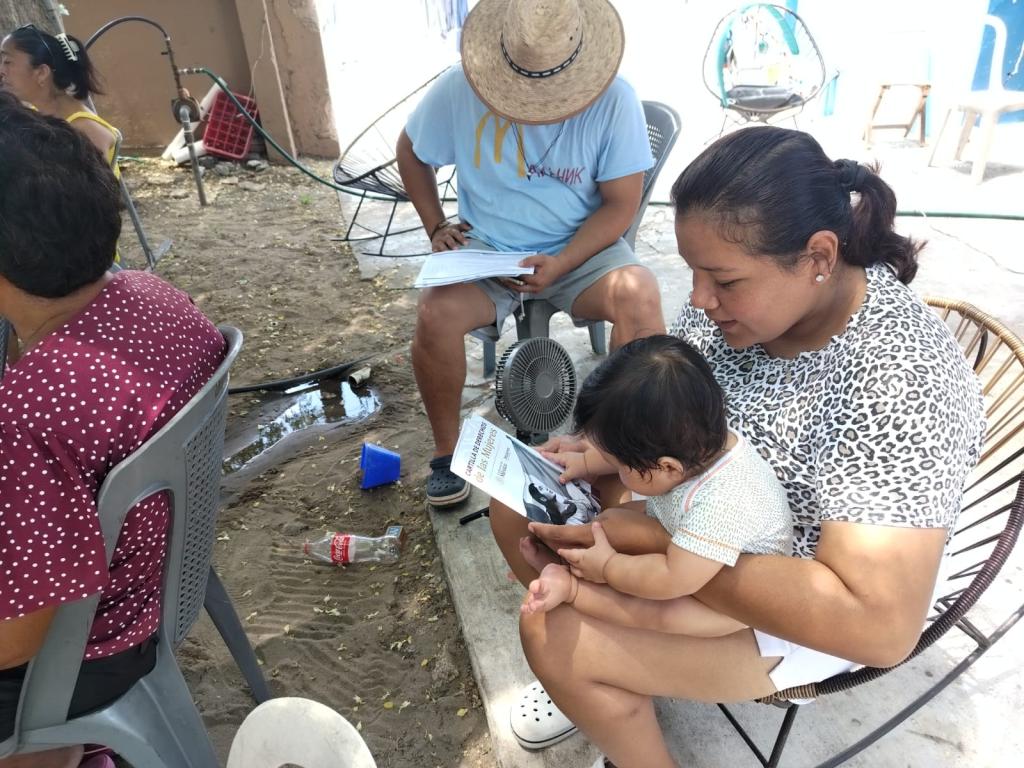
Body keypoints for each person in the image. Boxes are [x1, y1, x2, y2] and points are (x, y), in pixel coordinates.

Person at [489, 126, 986, 766]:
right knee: (522, 497)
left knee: (552, 632)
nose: (698, 299)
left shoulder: (900, 379)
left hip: (793, 595)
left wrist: (657, 544)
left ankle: (595, 678)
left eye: (723, 279)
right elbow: (672, 413)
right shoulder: (738, 314)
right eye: (694, 273)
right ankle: (597, 678)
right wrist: (601, 450)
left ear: (819, 257)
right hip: (690, 505)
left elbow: (876, 626)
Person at [0, 93, 226, 768]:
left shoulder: (31, 407)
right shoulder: (153, 297)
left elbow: (16, 641)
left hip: (85, 655)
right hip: (158, 586)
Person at [397, 0, 666, 508]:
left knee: (641, 296)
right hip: (488, 249)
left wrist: (562, 263)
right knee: (434, 314)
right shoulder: (462, 87)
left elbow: (620, 205)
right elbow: (411, 150)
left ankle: (615, 447)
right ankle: (447, 452)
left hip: (580, 248)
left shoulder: (615, 99)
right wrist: (435, 225)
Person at [521, 335, 792, 642]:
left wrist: (609, 567)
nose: (614, 468)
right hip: (689, 535)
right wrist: (584, 462)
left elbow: (672, 578)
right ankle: (567, 566)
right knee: (610, 524)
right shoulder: (696, 439)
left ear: (668, 468)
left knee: (665, 612)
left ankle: (573, 589)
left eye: (619, 464)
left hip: (730, 597)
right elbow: (637, 458)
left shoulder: (723, 503)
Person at [1, 25, 119, 168]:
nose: (1, 71)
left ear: (42, 73)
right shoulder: (34, 114)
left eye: (8, 62)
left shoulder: (85, 131)